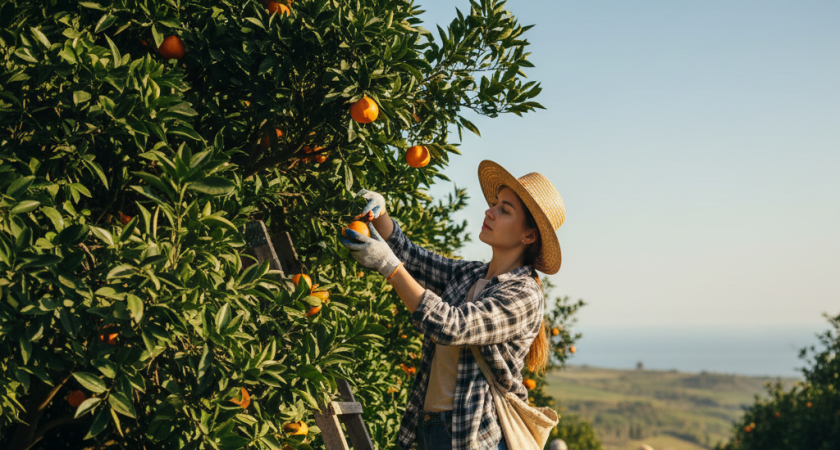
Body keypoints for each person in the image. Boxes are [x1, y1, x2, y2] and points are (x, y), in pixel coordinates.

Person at [339, 160, 566, 450]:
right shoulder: (469, 274)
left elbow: (452, 326)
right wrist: (380, 213)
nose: (489, 211)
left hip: (471, 435)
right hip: (430, 425)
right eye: (495, 203)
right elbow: (413, 258)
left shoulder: (525, 294)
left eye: (504, 210)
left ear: (529, 235)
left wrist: (389, 267)